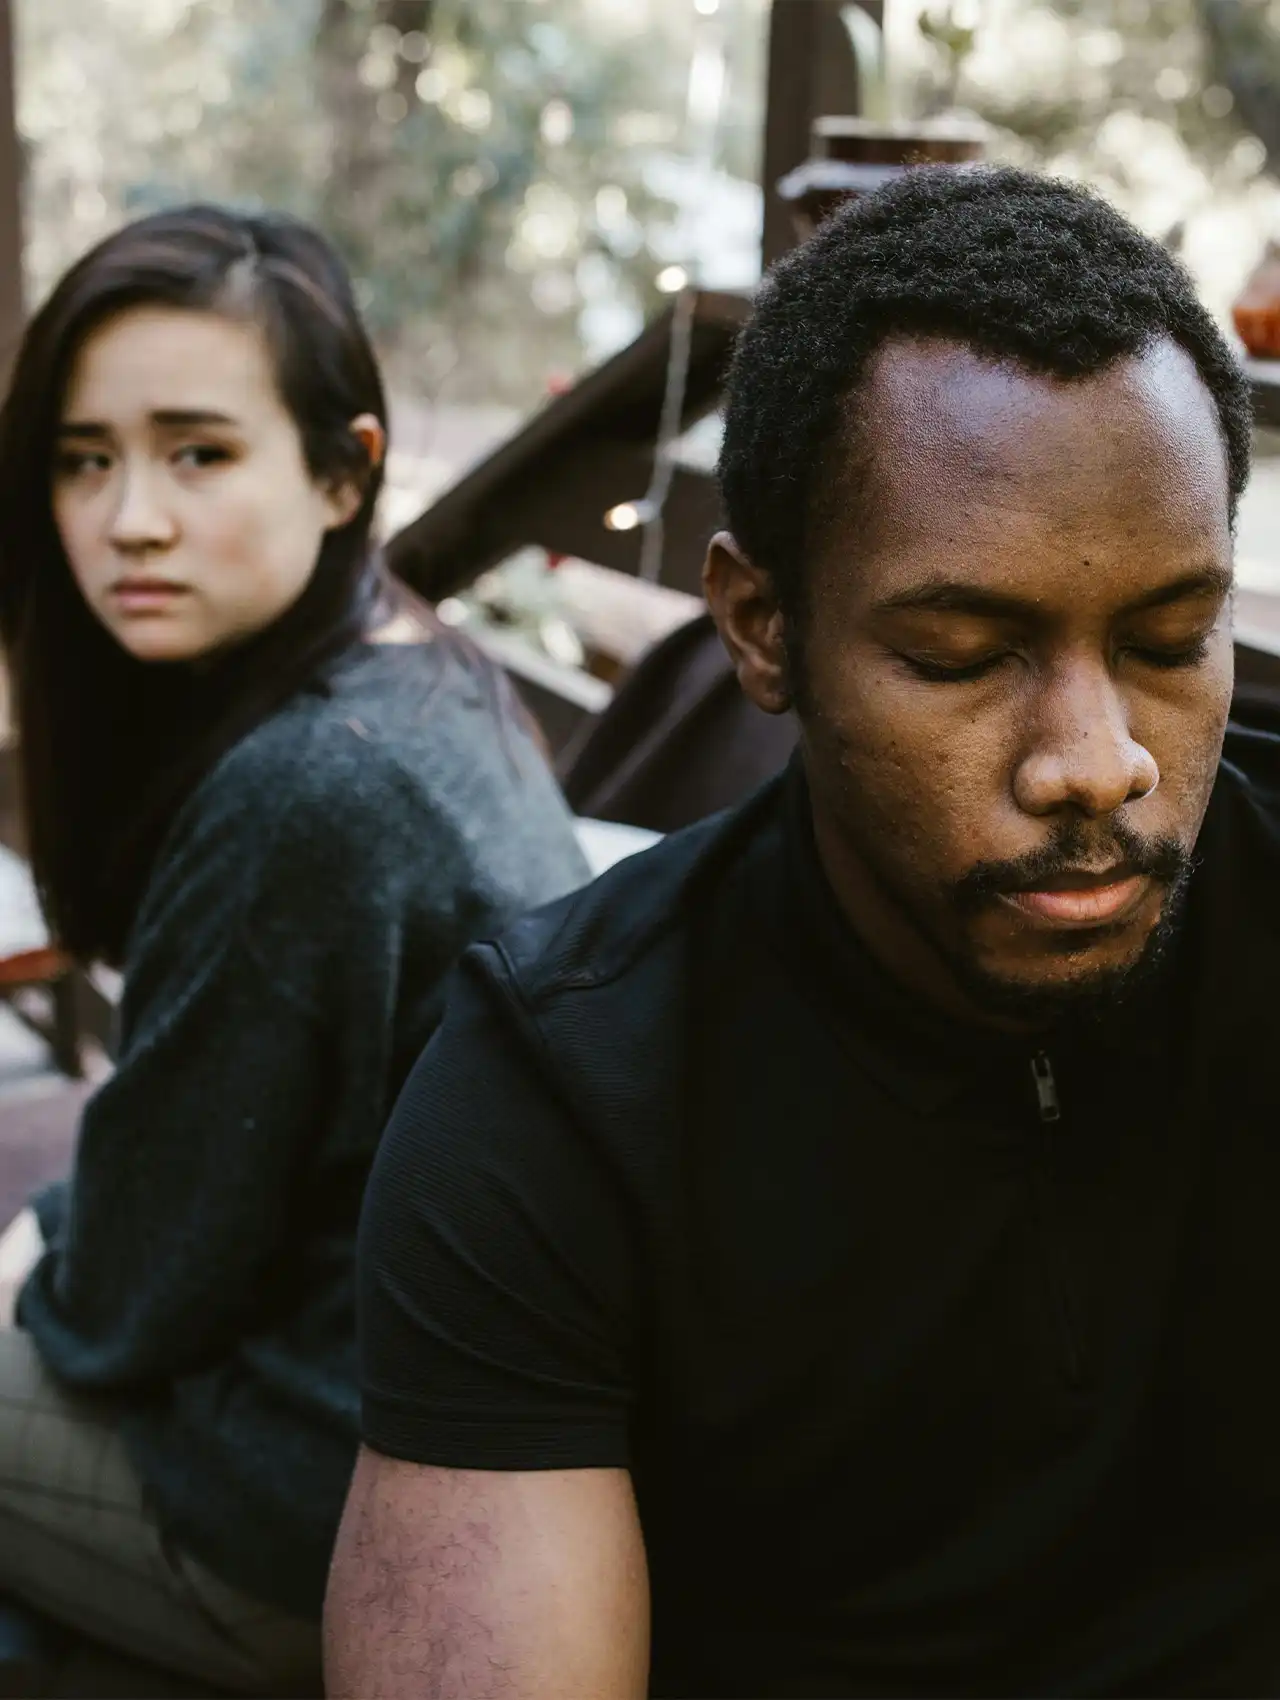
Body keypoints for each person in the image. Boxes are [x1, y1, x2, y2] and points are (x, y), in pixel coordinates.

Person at [326, 165, 1280, 1699]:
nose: (1100, 759)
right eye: (963, 655)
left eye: (1174, 639)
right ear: (763, 628)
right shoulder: (559, 1097)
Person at [0, 205, 588, 1695]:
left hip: (324, 1501)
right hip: (428, 1404)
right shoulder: (422, 675)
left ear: (346, 470)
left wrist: (34, 1251)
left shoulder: (308, 794)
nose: (128, 516)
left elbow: (127, 1298)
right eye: (85, 457)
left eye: (198, 452)